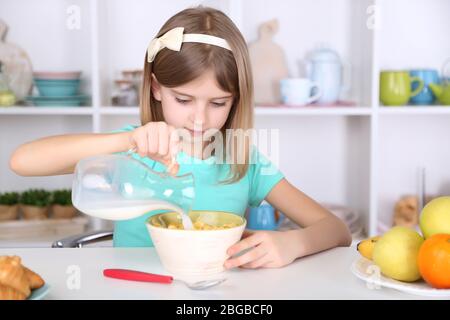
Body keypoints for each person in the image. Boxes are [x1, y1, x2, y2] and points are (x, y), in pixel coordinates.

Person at [9, 6, 351, 269]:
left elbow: (336, 230)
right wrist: (124, 142)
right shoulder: (135, 147)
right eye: (184, 100)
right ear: (156, 87)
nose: (200, 119)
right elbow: (22, 161)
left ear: (236, 100)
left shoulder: (242, 160)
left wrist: (292, 244)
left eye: (218, 103)